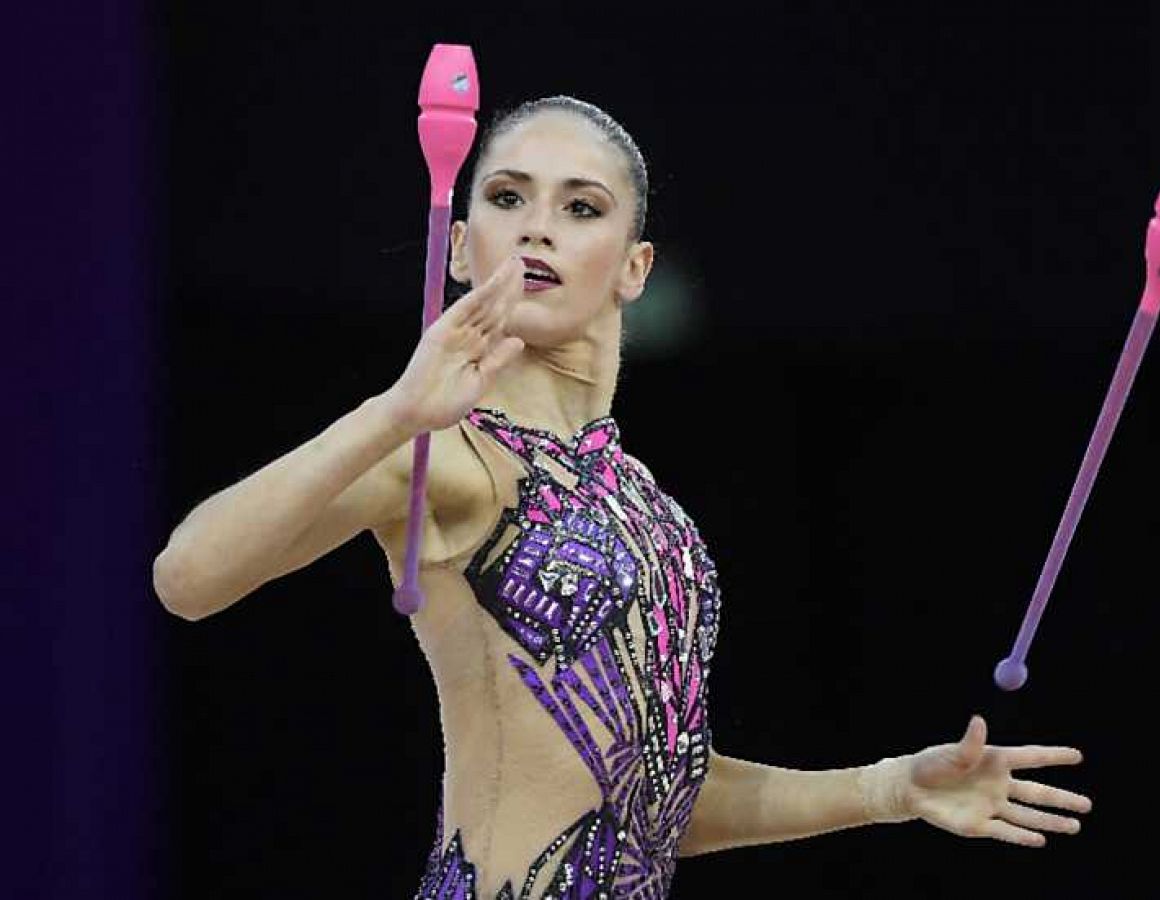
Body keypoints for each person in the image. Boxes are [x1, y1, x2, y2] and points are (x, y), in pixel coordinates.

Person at [153, 95, 1092, 899]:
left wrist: (892, 788)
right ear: (462, 249)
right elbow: (187, 577)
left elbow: (665, 801)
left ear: (635, 269)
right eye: (507, 197)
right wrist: (393, 411)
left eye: (582, 206)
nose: (537, 227)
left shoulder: (653, 515)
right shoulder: (451, 461)